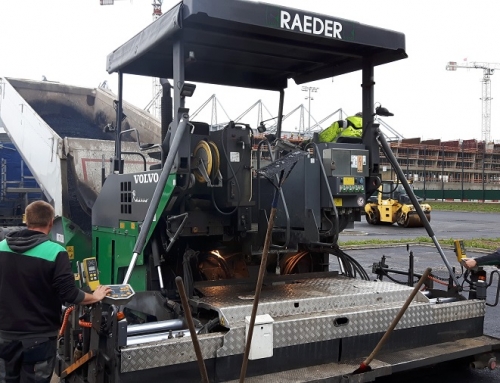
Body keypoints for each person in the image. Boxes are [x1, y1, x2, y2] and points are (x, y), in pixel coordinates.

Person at [0, 200, 111, 383]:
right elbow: (70, 295)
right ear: (51, 223)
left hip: (4, 336)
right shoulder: (55, 252)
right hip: (39, 339)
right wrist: (95, 296)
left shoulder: (2, 247)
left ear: (26, 220)